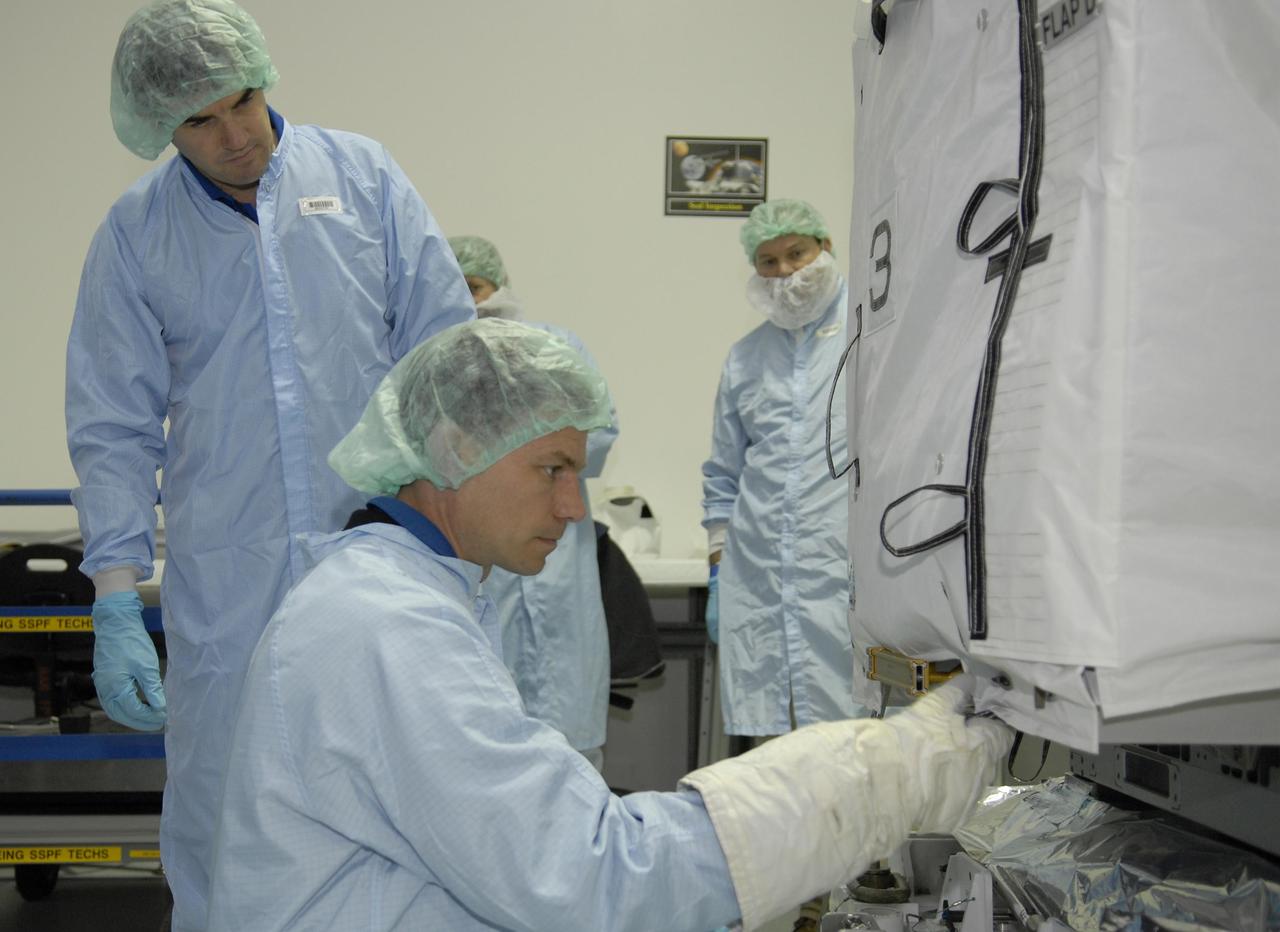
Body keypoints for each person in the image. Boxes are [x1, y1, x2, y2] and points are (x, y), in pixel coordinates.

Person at [206, 318, 1012, 932]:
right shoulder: (386, 627)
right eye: (552, 469)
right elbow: (594, 875)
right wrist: (887, 775)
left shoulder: (398, 588)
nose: (573, 506)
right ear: (453, 448)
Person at [64, 2, 473, 928]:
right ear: (157, 128)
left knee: (402, 797)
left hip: (380, 559)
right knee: (220, 815)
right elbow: (112, 426)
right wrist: (117, 595)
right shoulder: (137, 233)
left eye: (241, 102)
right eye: (198, 121)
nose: (234, 136)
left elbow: (445, 362)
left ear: (264, 78)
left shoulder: (363, 179)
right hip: (230, 580)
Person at [701, 199, 862, 930]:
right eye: (768, 261)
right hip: (761, 574)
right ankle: (798, 902)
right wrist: (717, 562)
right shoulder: (746, 357)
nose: (784, 272)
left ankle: (857, 897)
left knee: (852, 745)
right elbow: (723, 474)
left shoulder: (869, 334)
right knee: (777, 754)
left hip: (844, 578)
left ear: (825, 247)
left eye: (796, 254)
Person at [449, 234, 617, 770]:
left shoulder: (555, 347)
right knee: (481, 743)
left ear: (498, 284)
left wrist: (514, 449)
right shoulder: (437, 364)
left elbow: (599, 434)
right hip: (476, 566)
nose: (467, 299)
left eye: (473, 285)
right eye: (452, 287)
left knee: (568, 749)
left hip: (558, 563)